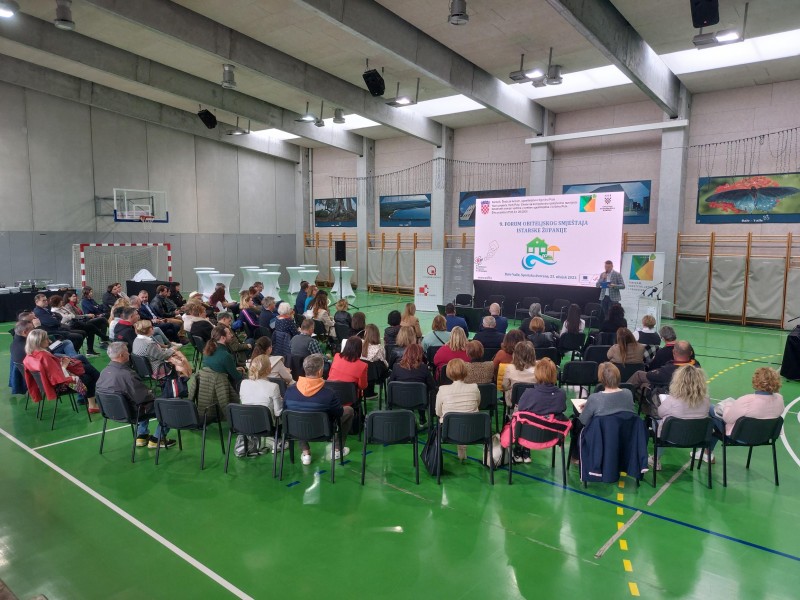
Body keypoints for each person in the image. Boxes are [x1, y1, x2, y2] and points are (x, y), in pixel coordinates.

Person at [96, 342, 175, 449]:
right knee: (167, 406)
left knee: (136, 401)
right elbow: (143, 397)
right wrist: (154, 394)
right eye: (127, 352)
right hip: (131, 412)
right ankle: (157, 439)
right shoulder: (127, 375)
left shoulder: (104, 372)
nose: (129, 354)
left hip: (110, 411)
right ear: (121, 355)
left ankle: (142, 436)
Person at [702, 367, 784, 464]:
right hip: (765, 437)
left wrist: (727, 405)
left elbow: (727, 419)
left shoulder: (747, 400)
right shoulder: (780, 399)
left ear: (756, 381)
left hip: (740, 437)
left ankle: (706, 453)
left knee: (711, 410)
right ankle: (706, 453)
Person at [284, 353, 353, 464]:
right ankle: (337, 449)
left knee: (297, 415)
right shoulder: (329, 393)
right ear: (320, 371)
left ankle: (306, 453)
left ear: (305, 369)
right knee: (349, 410)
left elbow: (285, 411)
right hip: (323, 430)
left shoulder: (290, 391)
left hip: (297, 429)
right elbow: (339, 413)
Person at [23, 329, 100, 413]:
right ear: (39, 342)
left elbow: (49, 371)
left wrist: (59, 362)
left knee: (85, 367)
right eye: (46, 339)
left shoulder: (29, 356)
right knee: (88, 377)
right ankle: (97, 396)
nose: (49, 341)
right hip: (60, 386)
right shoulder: (44, 356)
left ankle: (94, 398)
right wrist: (64, 365)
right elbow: (58, 377)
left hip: (45, 385)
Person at [571, 362, 636, 461]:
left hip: (600, 439)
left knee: (577, 423)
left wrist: (589, 405)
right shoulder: (628, 394)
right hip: (623, 437)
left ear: (601, 378)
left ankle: (576, 457)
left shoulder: (595, 398)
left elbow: (583, 421)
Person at [650, 364, 710, 470]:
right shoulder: (706, 400)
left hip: (671, 437)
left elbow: (660, 413)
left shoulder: (673, 400)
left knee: (655, 421)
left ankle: (656, 459)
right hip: (697, 438)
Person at [514, 357, 567, 462]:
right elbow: (562, 408)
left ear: (537, 373)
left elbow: (520, 409)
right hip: (552, 437)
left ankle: (520, 450)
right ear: (554, 374)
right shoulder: (561, 394)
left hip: (527, 435)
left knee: (519, 416)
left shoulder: (529, 393)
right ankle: (525, 451)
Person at [435, 358, 481, 461]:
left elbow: (438, 412)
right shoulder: (474, 387)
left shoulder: (442, 390)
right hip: (474, 430)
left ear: (448, 372)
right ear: (465, 371)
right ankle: (462, 446)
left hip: (449, 431)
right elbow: (477, 404)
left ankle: (461, 446)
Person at [239, 355, 284, 454]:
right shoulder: (274, 386)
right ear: (269, 369)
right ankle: (279, 442)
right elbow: (278, 412)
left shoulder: (243, 383)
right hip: (267, 427)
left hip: (246, 424)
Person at [627, 340, 700, 394]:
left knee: (639, 376)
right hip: (686, 393)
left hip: (669, 393)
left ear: (674, 352)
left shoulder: (669, 370)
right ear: (691, 353)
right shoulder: (696, 365)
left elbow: (651, 375)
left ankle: (623, 394)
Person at [389, 343, 436, 424]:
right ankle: (422, 418)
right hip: (420, 400)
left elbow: (390, 384)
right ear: (420, 355)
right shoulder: (424, 368)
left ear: (405, 353)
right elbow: (432, 386)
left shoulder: (396, 367)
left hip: (399, 399)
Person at [502, 341, 537, 406]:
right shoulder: (539, 368)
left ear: (515, 354)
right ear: (533, 354)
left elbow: (505, 386)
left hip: (515, 401)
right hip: (534, 401)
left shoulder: (509, 368)